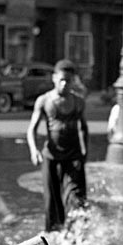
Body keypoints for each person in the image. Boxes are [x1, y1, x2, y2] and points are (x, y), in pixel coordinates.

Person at [26, 59, 89, 232]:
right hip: (51, 157)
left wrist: (85, 152)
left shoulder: (78, 102)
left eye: (68, 80)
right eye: (61, 79)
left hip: (73, 157)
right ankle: (55, 235)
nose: (64, 84)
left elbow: (83, 128)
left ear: (73, 80)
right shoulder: (44, 101)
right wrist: (34, 150)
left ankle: (77, 234)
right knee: (51, 203)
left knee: (76, 198)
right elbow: (31, 130)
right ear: (54, 78)